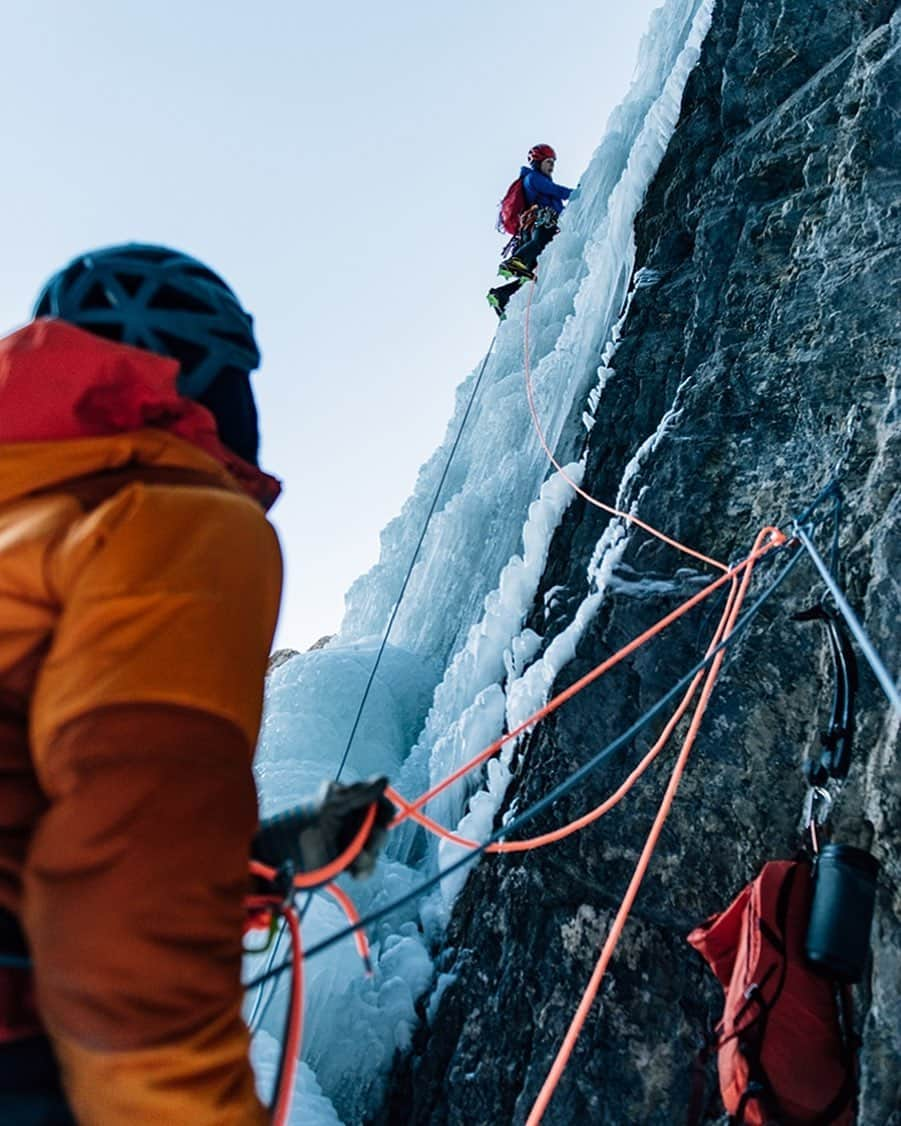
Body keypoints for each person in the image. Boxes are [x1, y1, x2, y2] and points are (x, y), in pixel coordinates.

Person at [0, 243, 391, 1125]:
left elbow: (55, 796)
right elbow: (129, 894)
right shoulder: (171, 512)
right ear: (201, 375)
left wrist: (261, 858)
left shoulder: (25, 526)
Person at [487, 144, 574, 318]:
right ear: (538, 162)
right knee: (540, 241)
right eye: (548, 162)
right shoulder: (533, 178)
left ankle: (502, 295)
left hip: (528, 232)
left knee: (532, 278)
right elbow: (558, 192)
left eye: (553, 163)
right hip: (540, 222)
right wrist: (582, 192)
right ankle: (515, 261)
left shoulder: (537, 181)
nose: (552, 166)